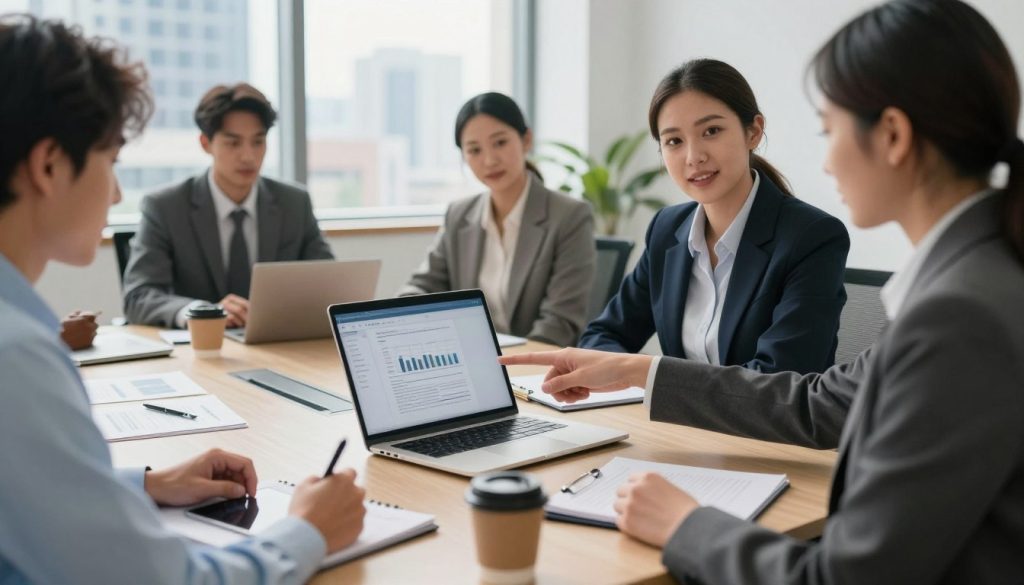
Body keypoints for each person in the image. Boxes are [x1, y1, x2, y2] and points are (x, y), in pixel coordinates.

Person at [501, 0, 1024, 582]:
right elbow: (820, 404)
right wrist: (636, 371)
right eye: (673, 141)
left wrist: (685, 526)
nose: (824, 162)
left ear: (893, 135)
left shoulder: (959, 314)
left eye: (829, 131)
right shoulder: (973, 280)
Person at [0, 16, 365, 583]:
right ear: (49, 165)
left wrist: (145, 484)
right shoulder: (17, 357)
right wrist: (307, 532)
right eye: (111, 160)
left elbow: (21, 491)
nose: (117, 191)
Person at [579, 59, 849, 374]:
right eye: (674, 141)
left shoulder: (811, 237)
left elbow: (779, 380)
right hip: (672, 422)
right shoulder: (667, 229)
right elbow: (603, 336)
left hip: (761, 424)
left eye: (711, 131)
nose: (694, 157)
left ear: (754, 132)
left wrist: (653, 379)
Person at [122, 83, 333, 329]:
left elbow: (327, 285)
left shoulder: (294, 203)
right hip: (202, 351)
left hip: (277, 346)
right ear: (205, 143)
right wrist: (202, 312)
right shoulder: (166, 207)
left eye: (258, 142)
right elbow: (139, 297)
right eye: (233, 143)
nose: (248, 156)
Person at [400, 92, 596, 347]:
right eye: (474, 150)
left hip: (535, 369)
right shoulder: (459, 216)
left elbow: (559, 323)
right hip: (471, 359)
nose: (489, 160)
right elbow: (420, 288)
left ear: (526, 140)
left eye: (500, 143)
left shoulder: (569, 216)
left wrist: (508, 365)